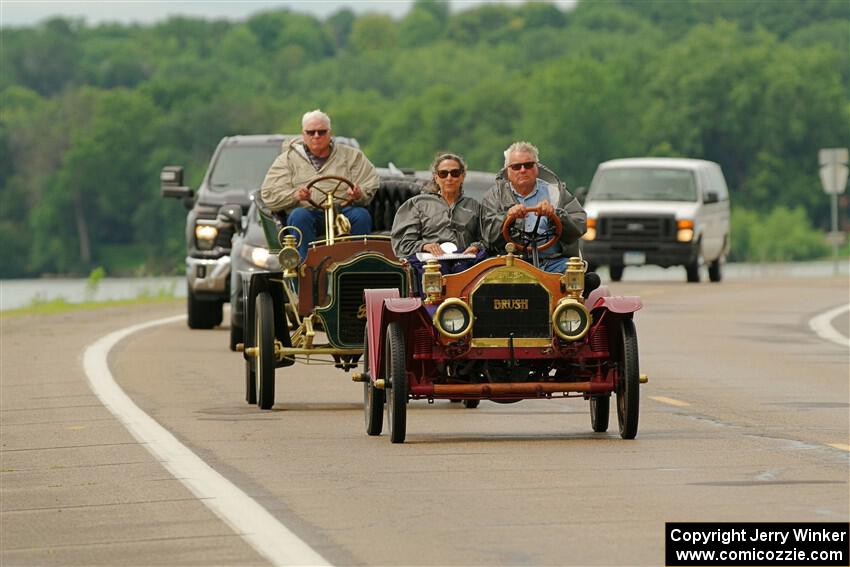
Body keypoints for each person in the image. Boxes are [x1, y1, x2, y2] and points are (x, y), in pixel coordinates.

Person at [260, 109, 379, 258]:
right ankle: (306, 265)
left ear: (330, 133)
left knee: (361, 215)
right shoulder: (287, 160)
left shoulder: (351, 156)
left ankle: (357, 262)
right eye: (311, 132)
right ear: (303, 134)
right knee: (299, 216)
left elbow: (370, 181)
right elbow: (269, 194)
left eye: (321, 132)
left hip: (342, 212)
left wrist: (358, 193)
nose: (316, 136)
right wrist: (296, 195)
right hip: (308, 212)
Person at [481, 141, 586, 273]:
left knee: (577, 274)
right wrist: (507, 217)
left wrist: (556, 215)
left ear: (537, 168)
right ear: (507, 171)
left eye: (528, 165)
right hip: (511, 263)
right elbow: (487, 237)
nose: (523, 170)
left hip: (554, 262)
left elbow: (579, 225)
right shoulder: (494, 196)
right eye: (516, 167)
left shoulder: (555, 192)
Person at [391, 152, 486, 279]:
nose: (449, 178)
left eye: (455, 173)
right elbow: (403, 244)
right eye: (443, 174)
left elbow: (486, 239)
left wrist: (476, 247)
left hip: (464, 260)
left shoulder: (474, 206)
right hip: (431, 261)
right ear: (436, 177)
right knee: (435, 271)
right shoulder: (418, 204)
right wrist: (425, 246)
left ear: (462, 176)